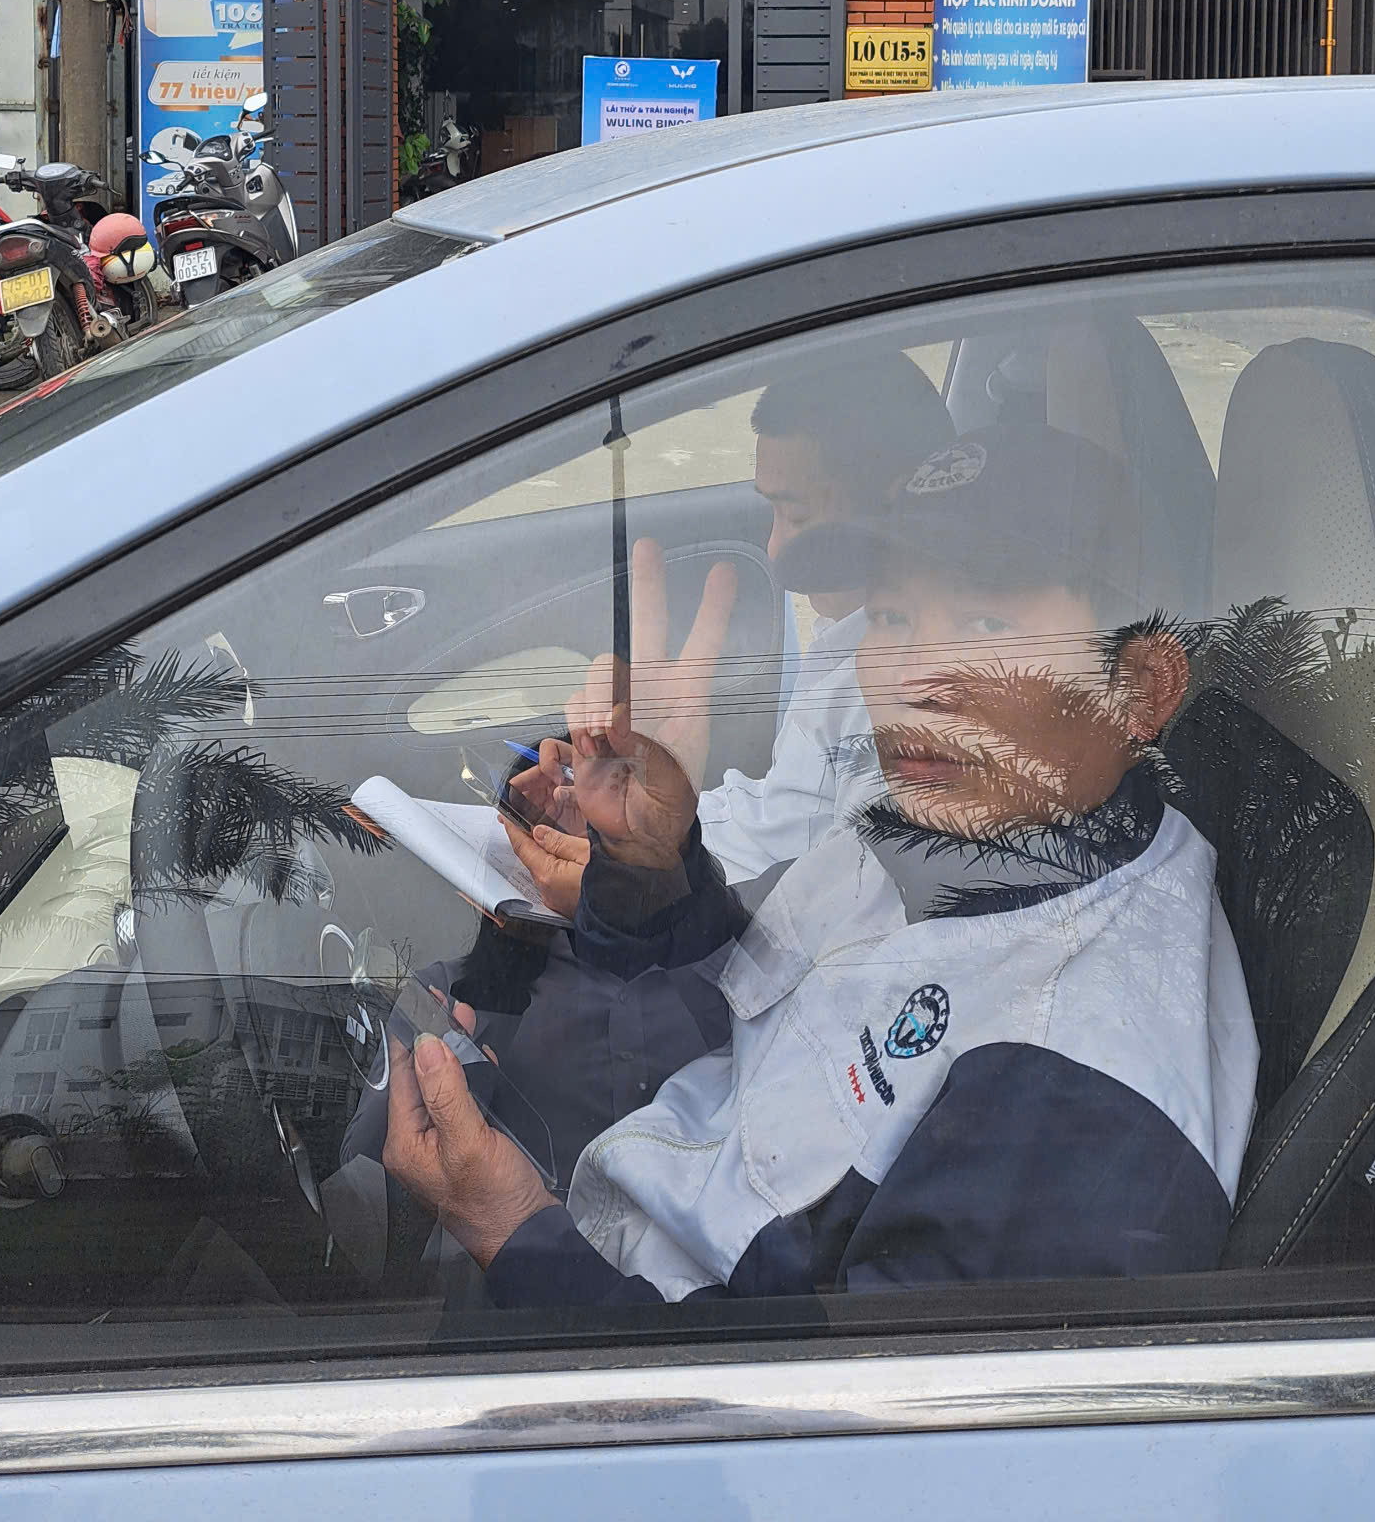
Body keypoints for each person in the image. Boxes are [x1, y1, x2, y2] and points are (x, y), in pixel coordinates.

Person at [383, 420, 1259, 1309]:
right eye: (892, 616)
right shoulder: (976, 823)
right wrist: (649, 867)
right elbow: (756, 998)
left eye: (986, 620)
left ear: (1142, 688)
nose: (910, 676)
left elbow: (821, 1392)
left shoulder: (1074, 1099)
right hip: (625, 1207)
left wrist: (512, 1235)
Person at [506, 353, 954, 918]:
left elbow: (843, 920)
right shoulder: (844, 643)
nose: (773, 547)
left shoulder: (913, 693)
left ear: (893, 505)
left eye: (796, 516)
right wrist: (624, 814)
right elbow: (784, 819)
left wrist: (632, 897)